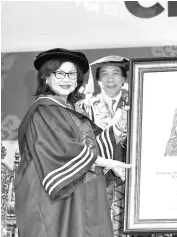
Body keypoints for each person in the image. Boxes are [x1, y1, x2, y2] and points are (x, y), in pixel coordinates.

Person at [15, 48, 131, 237]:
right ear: (46, 78)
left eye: (72, 74)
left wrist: (119, 126)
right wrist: (108, 162)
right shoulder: (45, 110)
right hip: (54, 194)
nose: (66, 79)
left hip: (77, 190)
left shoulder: (73, 109)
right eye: (59, 73)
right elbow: (66, 150)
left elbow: (93, 146)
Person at [78, 55, 130, 236]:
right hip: (97, 178)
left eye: (116, 73)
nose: (110, 79)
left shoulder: (138, 102)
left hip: (130, 179)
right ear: (98, 79)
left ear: (124, 78)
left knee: (128, 226)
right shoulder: (84, 107)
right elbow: (81, 145)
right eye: (104, 74)